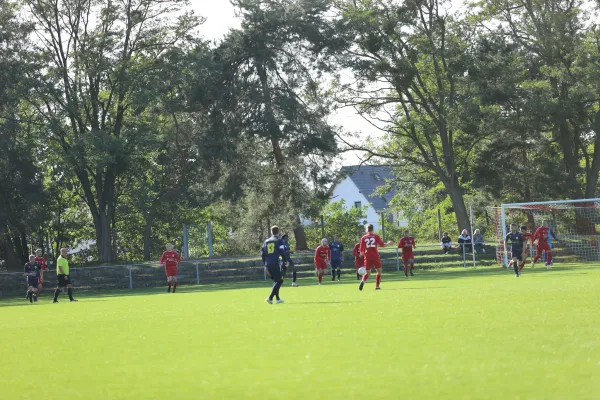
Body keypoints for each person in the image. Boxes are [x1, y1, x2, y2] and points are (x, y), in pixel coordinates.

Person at [262, 226, 285, 303]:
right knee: (279, 281)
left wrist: (265, 265)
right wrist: (286, 260)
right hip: (275, 262)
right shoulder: (279, 240)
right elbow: (282, 251)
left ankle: (277, 298)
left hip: (268, 263)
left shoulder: (266, 241)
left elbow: (262, 254)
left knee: (276, 280)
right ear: (278, 231)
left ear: (271, 232)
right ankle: (270, 298)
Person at [358, 224, 385, 291]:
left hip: (367, 256)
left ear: (367, 229)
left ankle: (363, 281)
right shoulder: (375, 236)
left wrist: (362, 254)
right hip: (375, 256)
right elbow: (382, 245)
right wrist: (389, 243)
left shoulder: (363, 237)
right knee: (379, 272)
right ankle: (377, 286)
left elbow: (361, 250)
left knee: (368, 273)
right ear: (373, 229)